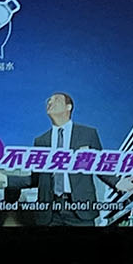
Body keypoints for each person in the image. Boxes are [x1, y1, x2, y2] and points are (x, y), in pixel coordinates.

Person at [29, 90, 103, 226]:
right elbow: (35, 179)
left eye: (56, 100)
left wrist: (118, 183)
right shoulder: (40, 141)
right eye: (48, 101)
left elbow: (101, 166)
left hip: (80, 211)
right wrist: (5, 179)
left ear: (69, 107)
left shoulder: (88, 134)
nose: (50, 102)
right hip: (51, 213)